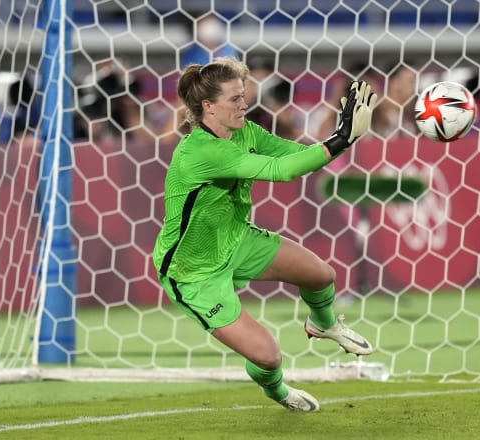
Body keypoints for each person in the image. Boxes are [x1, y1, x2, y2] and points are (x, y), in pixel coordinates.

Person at [152, 57, 377, 411]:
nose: (245, 104)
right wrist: (340, 140)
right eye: (235, 99)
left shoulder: (246, 132)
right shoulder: (202, 152)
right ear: (208, 107)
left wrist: (340, 140)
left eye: (244, 95)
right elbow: (280, 171)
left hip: (235, 238)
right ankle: (278, 392)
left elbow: (297, 156)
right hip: (194, 271)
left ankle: (324, 325)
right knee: (269, 356)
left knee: (321, 275)